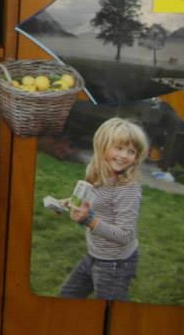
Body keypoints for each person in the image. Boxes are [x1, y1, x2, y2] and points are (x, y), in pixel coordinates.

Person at [60, 117, 149, 301]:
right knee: (67, 296)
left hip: (116, 263)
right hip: (94, 254)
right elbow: (93, 202)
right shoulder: (99, 175)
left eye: (131, 151)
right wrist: (67, 202)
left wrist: (88, 220)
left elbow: (125, 235)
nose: (124, 155)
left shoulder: (127, 189)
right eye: (119, 148)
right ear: (102, 147)